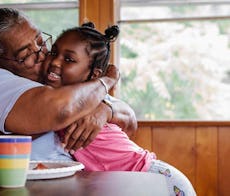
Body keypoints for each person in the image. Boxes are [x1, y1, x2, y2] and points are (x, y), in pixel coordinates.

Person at [0, 8, 136, 168]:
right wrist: (107, 81)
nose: (42, 54)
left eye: (40, 41)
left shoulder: (56, 78)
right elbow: (61, 111)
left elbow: (129, 123)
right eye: (26, 54)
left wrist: (105, 110)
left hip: (91, 179)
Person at [40, 22, 196, 196]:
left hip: (155, 178)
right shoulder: (59, 97)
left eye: (69, 59)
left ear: (94, 75)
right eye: (53, 52)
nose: (54, 61)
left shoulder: (81, 102)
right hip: (130, 183)